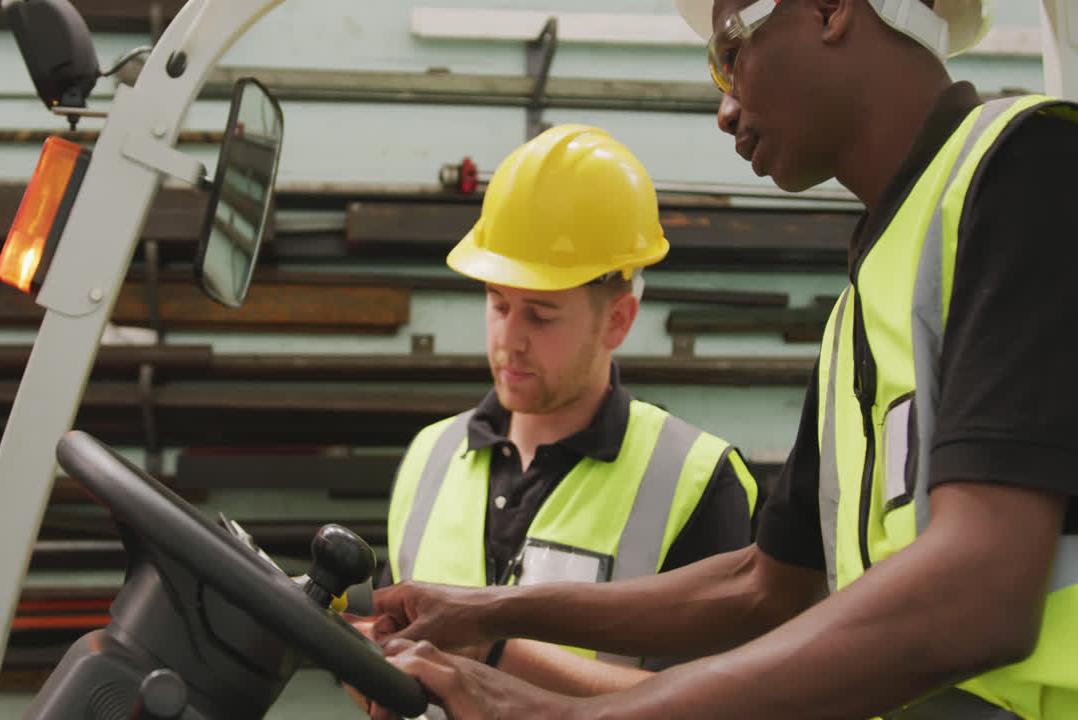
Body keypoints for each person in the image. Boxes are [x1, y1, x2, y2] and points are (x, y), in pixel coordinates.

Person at [364, 1, 1078, 719]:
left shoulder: (1029, 167)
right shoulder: (865, 301)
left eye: (728, 54)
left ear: (829, 10)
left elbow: (980, 592)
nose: (725, 110)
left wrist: (560, 712)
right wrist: (488, 612)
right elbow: (764, 585)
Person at [355, 123, 760, 702]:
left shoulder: (695, 480)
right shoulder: (429, 457)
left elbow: (711, 705)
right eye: (498, 305)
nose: (509, 340)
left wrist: (492, 649)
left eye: (541, 315)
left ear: (618, 320)